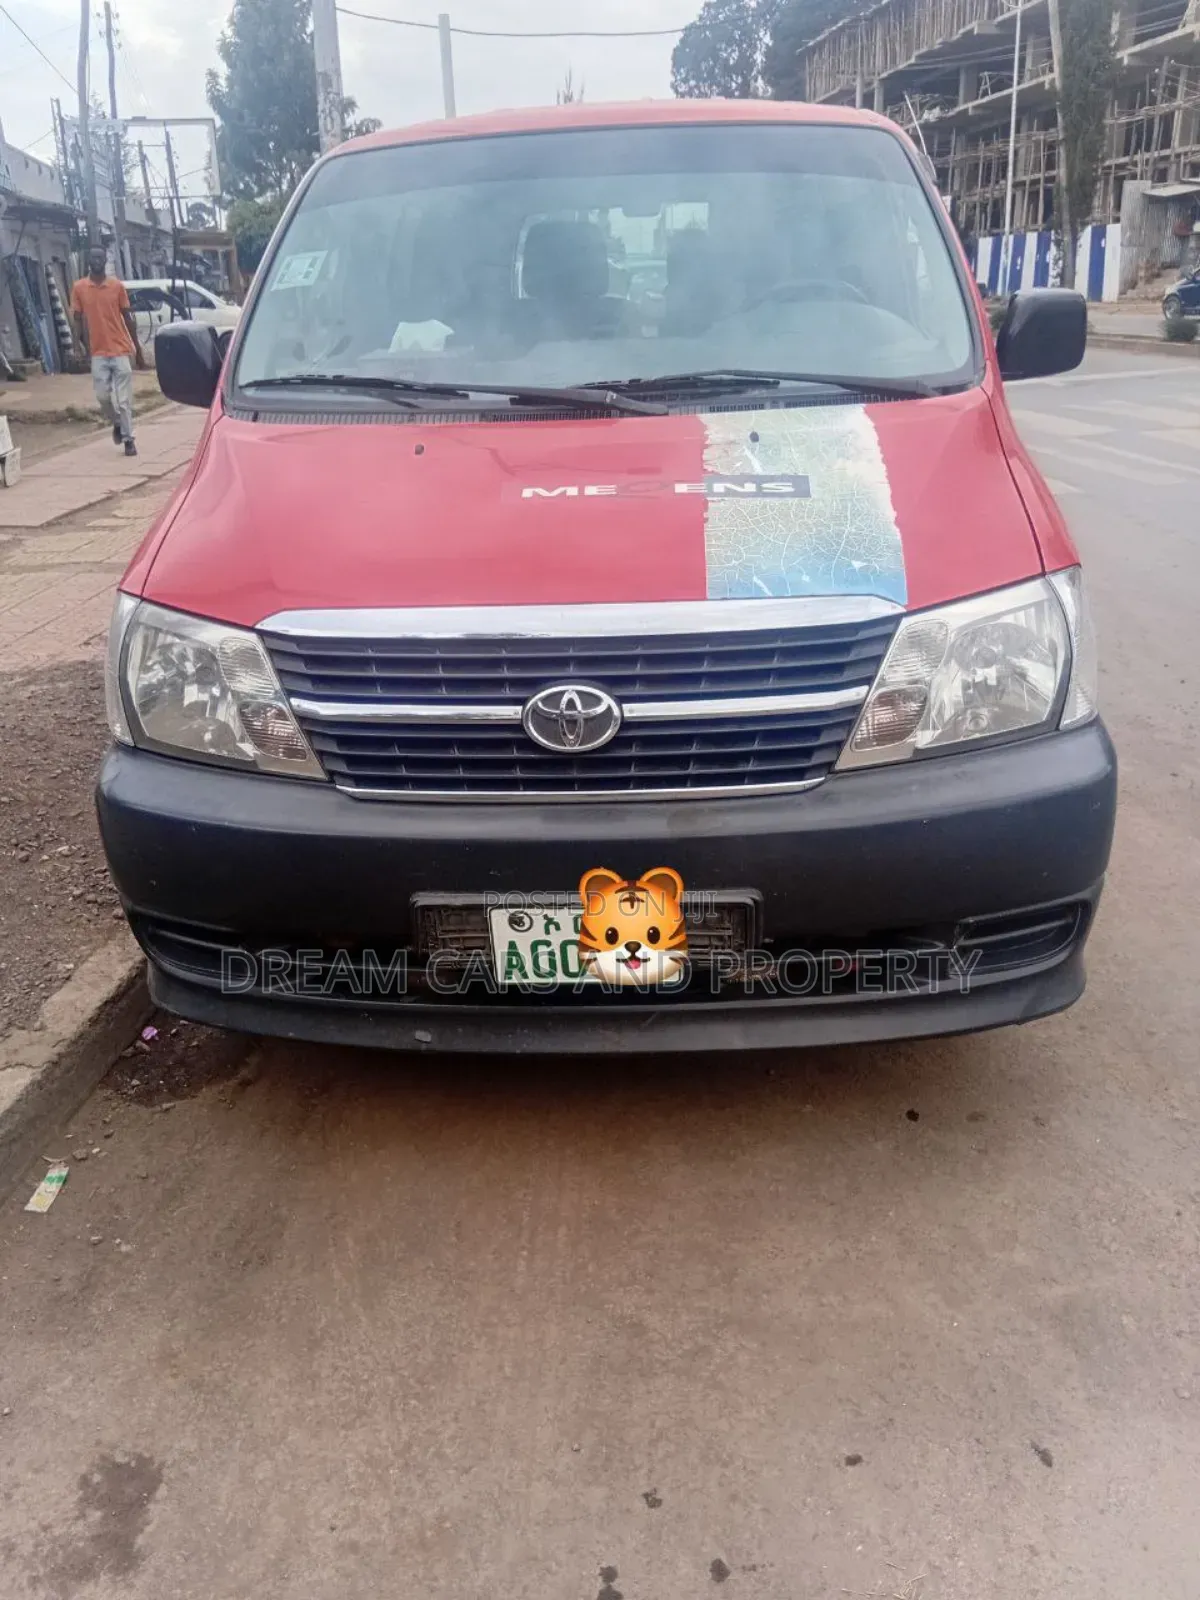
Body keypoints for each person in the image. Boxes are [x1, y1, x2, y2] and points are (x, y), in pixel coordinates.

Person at [70, 248, 145, 457]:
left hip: (120, 349)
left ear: (105, 261)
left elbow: (128, 318)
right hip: (98, 352)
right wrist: (76, 346)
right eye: (92, 257)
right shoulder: (79, 288)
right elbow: (76, 318)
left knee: (123, 400)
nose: (96, 261)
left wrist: (137, 349)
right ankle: (118, 424)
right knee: (103, 397)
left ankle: (129, 440)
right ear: (88, 261)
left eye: (100, 257)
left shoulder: (116, 286)